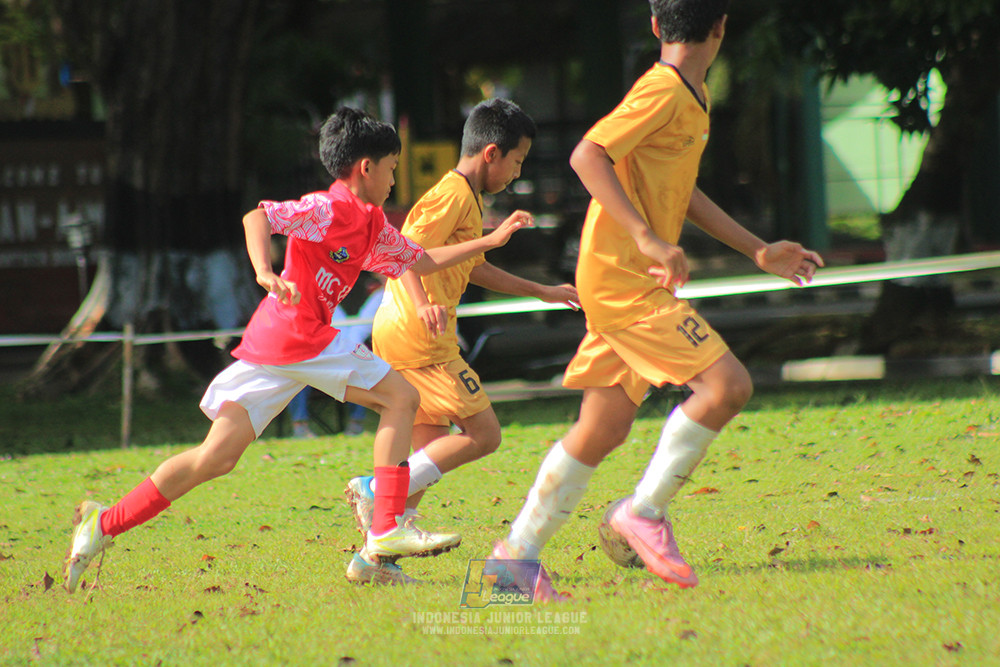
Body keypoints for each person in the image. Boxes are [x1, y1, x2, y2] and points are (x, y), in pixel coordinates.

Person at [63, 107, 532, 593]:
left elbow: (422, 259)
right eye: (392, 168)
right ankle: (386, 525)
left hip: (278, 343)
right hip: (299, 335)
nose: (395, 180)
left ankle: (104, 522)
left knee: (215, 458)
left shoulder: (370, 224)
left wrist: (491, 240)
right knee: (401, 398)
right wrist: (264, 271)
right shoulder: (329, 208)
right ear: (365, 168)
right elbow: (258, 216)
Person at [487, 0, 825, 602]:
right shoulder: (663, 90)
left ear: (655, 25)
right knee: (728, 386)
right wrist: (646, 237)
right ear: (720, 27)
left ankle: (513, 561)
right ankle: (642, 513)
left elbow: (681, 189)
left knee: (603, 428)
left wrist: (757, 249)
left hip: (620, 278)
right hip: (623, 280)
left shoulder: (690, 96)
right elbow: (587, 154)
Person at [343, 98, 578, 585]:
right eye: (517, 161)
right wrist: (422, 303)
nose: (518, 173)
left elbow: (474, 267)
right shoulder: (452, 194)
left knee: (428, 452)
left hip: (412, 332)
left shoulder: (468, 198)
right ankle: (375, 489)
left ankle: (373, 559)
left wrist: (542, 291)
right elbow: (405, 252)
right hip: (420, 336)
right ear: (491, 153)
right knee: (484, 434)